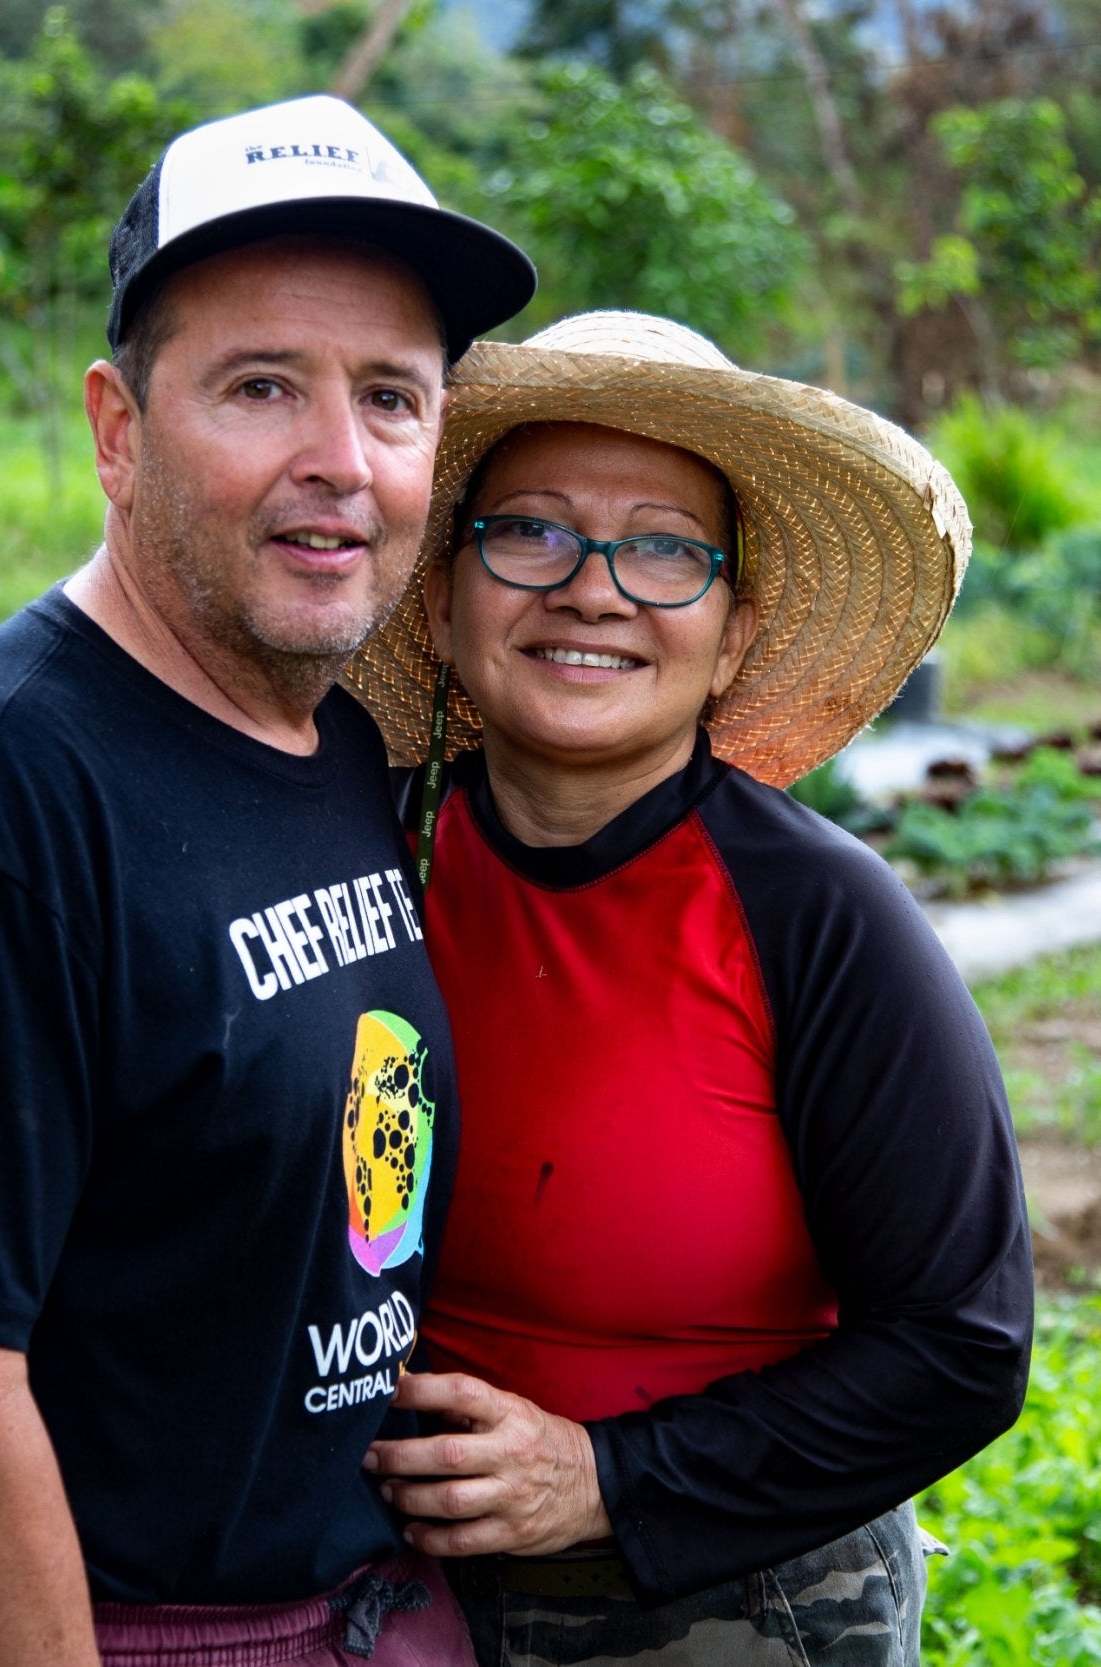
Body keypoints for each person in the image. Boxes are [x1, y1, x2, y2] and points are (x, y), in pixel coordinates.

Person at [0, 94, 533, 1667]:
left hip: (362, 1605)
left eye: (393, 400)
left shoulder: (338, 738)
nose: (341, 462)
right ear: (117, 432)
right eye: (262, 387)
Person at [347, 312, 1033, 1665]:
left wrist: (604, 1476)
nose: (593, 589)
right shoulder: (361, 858)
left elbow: (962, 1346)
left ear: (733, 635)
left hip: (737, 1608)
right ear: (441, 597)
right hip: (378, 1593)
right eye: (530, 532)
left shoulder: (818, 919)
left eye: (665, 548)